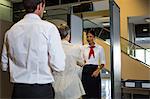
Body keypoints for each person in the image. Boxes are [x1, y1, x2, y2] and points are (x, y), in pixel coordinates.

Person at [1, 0, 65, 98]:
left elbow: (4, 66)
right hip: (41, 90)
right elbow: (59, 66)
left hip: (18, 91)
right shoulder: (49, 28)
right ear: (40, 5)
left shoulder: (11, 31)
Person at [52, 24, 85, 99]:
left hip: (55, 83)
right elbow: (82, 63)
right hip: (72, 84)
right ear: (68, 35)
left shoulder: (53, 48)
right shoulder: (76, 48)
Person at [82, 30, 106, 99]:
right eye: (87, 37)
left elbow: (103, 62)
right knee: (86, 93)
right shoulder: (83, 47)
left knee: (95, 93)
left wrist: (97, 71)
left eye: (90, 36)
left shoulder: (100, 48)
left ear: (94, 37)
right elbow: (81, 59)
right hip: (85, 70)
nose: (89, 38)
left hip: (95, 70)